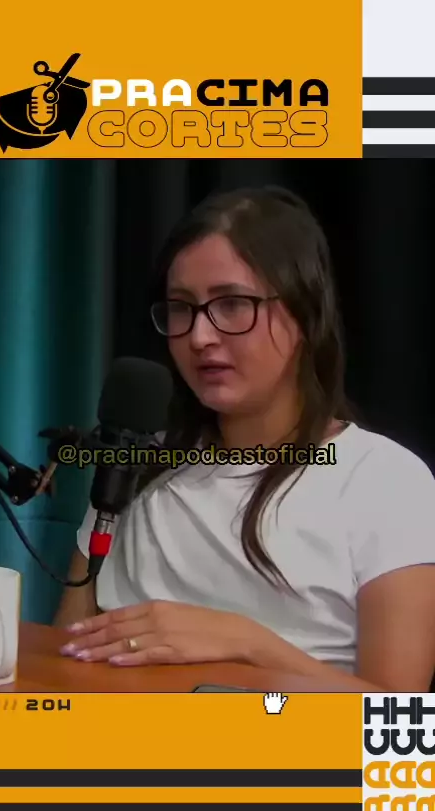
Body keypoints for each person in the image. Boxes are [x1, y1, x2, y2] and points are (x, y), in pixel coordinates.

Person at [54, 185, 435, 692]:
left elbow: (397, 720)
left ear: (305, 314)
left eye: (232, 304)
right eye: (181, 308)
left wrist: (246, 642)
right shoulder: (137, 466)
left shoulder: (385, 480)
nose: (200, 337)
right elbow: (64, 661)